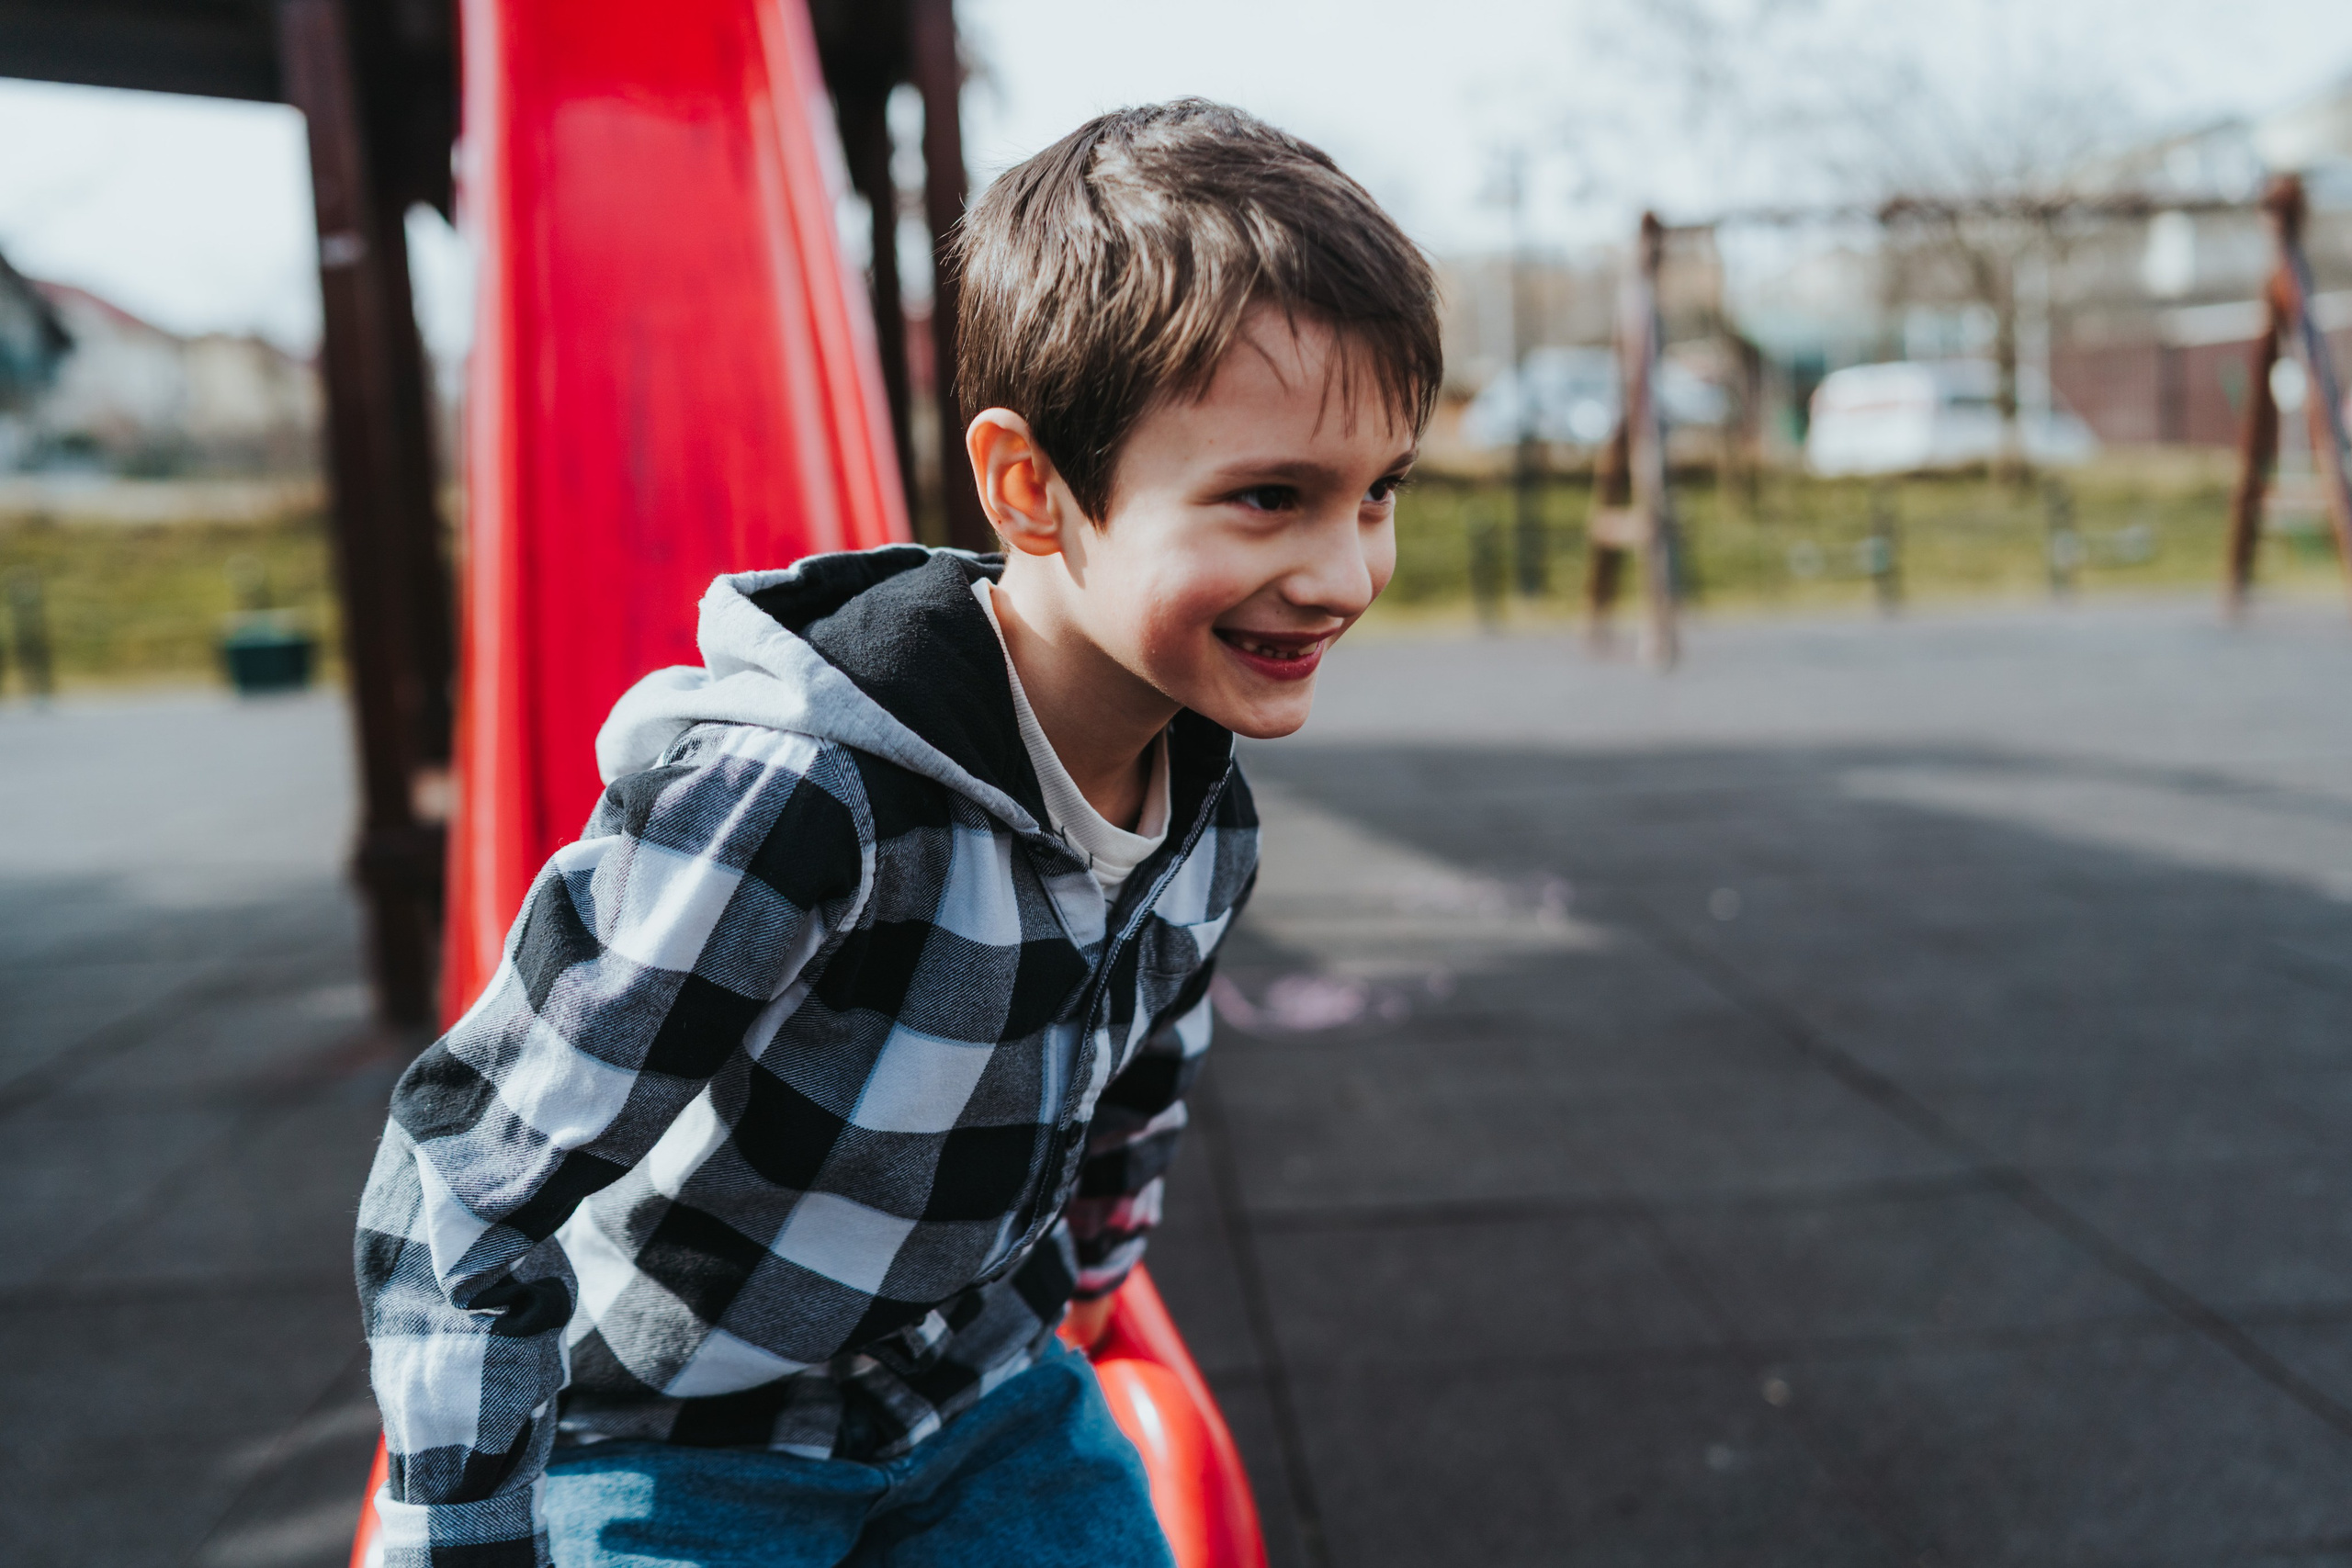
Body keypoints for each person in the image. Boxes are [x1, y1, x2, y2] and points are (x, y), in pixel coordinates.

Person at [355, 98, 1440, 1568]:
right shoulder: (802, 804)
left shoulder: (1205, 810)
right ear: (1029, 490)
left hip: (970, 1387)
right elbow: (467, 1166)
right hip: (675, 1431)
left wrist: (1095, 1273)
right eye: (1269, 499)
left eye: (1378, 494)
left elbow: (1144, 1065)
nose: (1344, 571)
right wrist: (467, 1517)